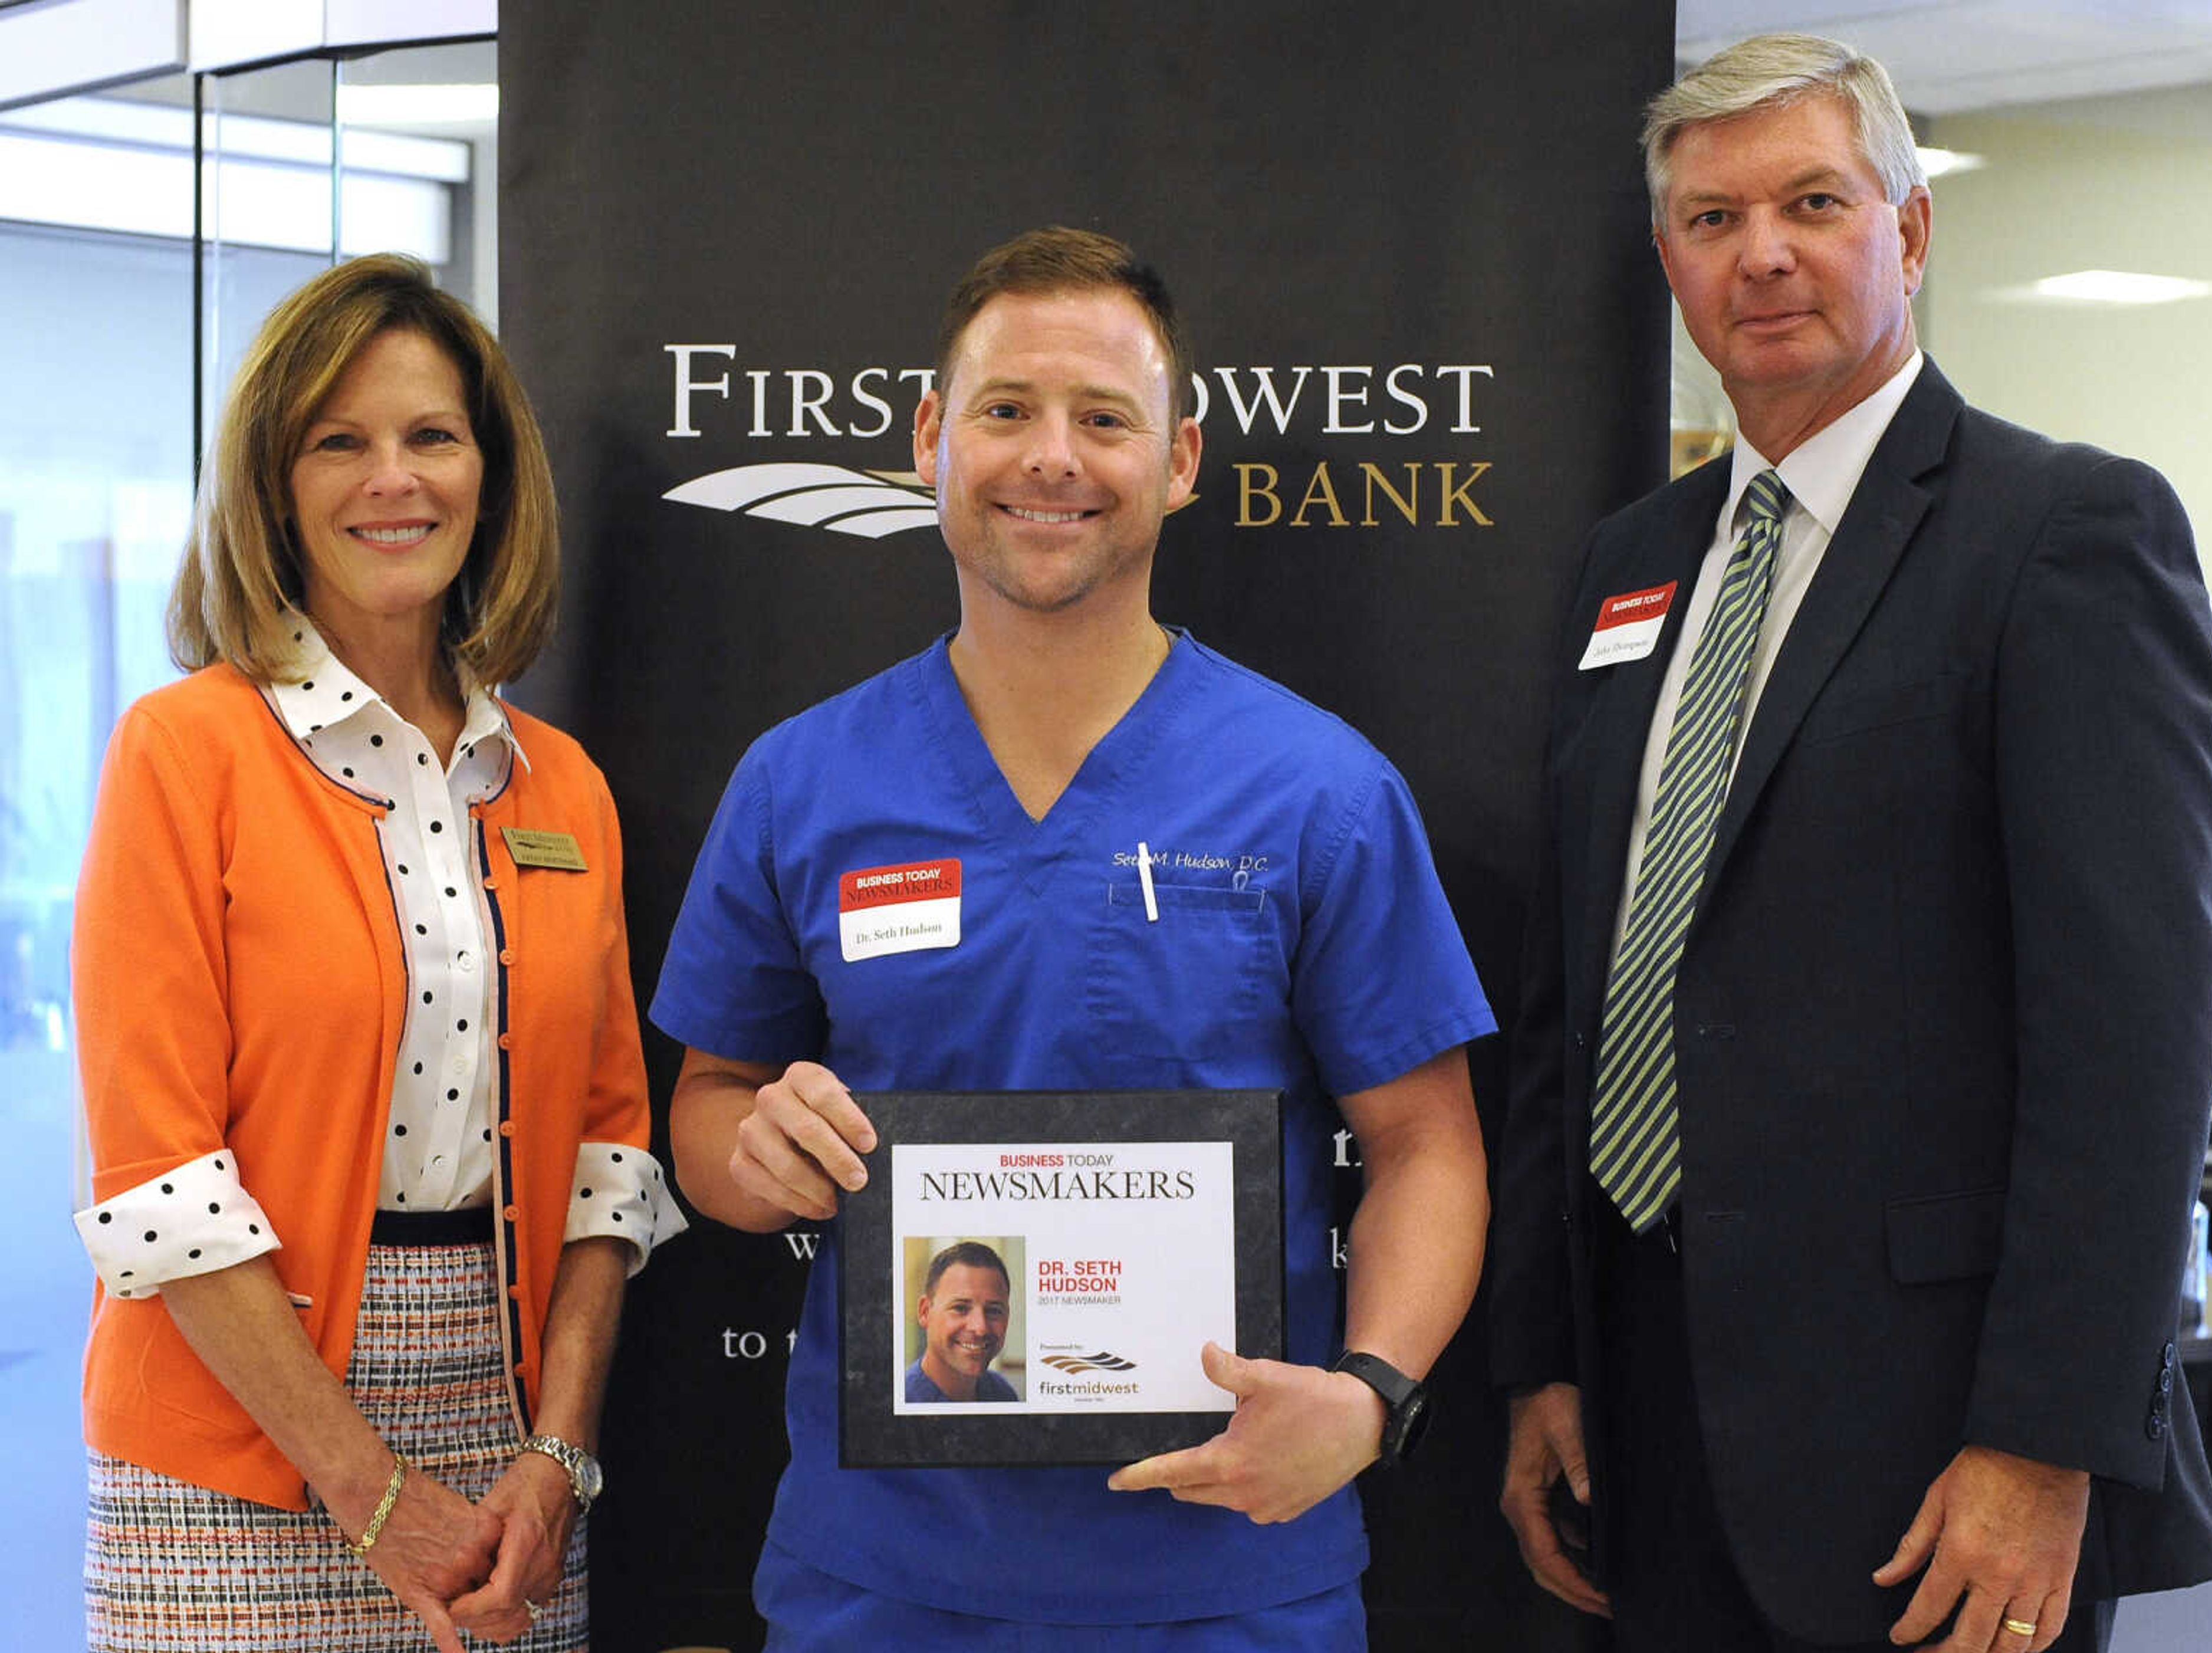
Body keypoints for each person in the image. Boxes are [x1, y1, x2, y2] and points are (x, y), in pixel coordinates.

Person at [1488, 31, 2212, 1653]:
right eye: (1708, 219)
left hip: (1937, 1442)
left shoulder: (2065, 534)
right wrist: (1548, 1353)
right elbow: (1584, 985)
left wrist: (2047, 1437)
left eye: (1811, 201)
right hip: (1645, 1417)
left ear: (1906, 234)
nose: (1759, 253)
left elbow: (2132, 1037)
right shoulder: (1628, 565)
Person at [656, 225, 1492, 1648]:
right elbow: (703, 1116)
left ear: (1177, 461)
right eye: (1004, 410)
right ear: (929, 437)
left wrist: (1366, 1396)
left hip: (1228, 1578)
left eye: (1105, 418)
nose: (1053, 458)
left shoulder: (1315, 787)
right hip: (884, 1576)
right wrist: (751, 1154)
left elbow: (1427, 1147)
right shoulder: (799, 781)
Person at [73, 253, 685, 1651]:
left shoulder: (559, 787)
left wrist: (558, 1453)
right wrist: (366, 1486)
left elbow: (608, 1154)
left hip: (508, 1443)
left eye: (430, 436)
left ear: (490, 473)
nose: (390, 480)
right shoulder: (186, 752)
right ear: (270, 486)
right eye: (336, 442)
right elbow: (156, 1179)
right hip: (232, 1436)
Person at [904, 1241, 1020, 1403]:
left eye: (993, 1311)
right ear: (925, 1312)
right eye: (960, 1308)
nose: (980, 1328)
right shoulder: (904, 1400)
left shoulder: (1002, 1393)